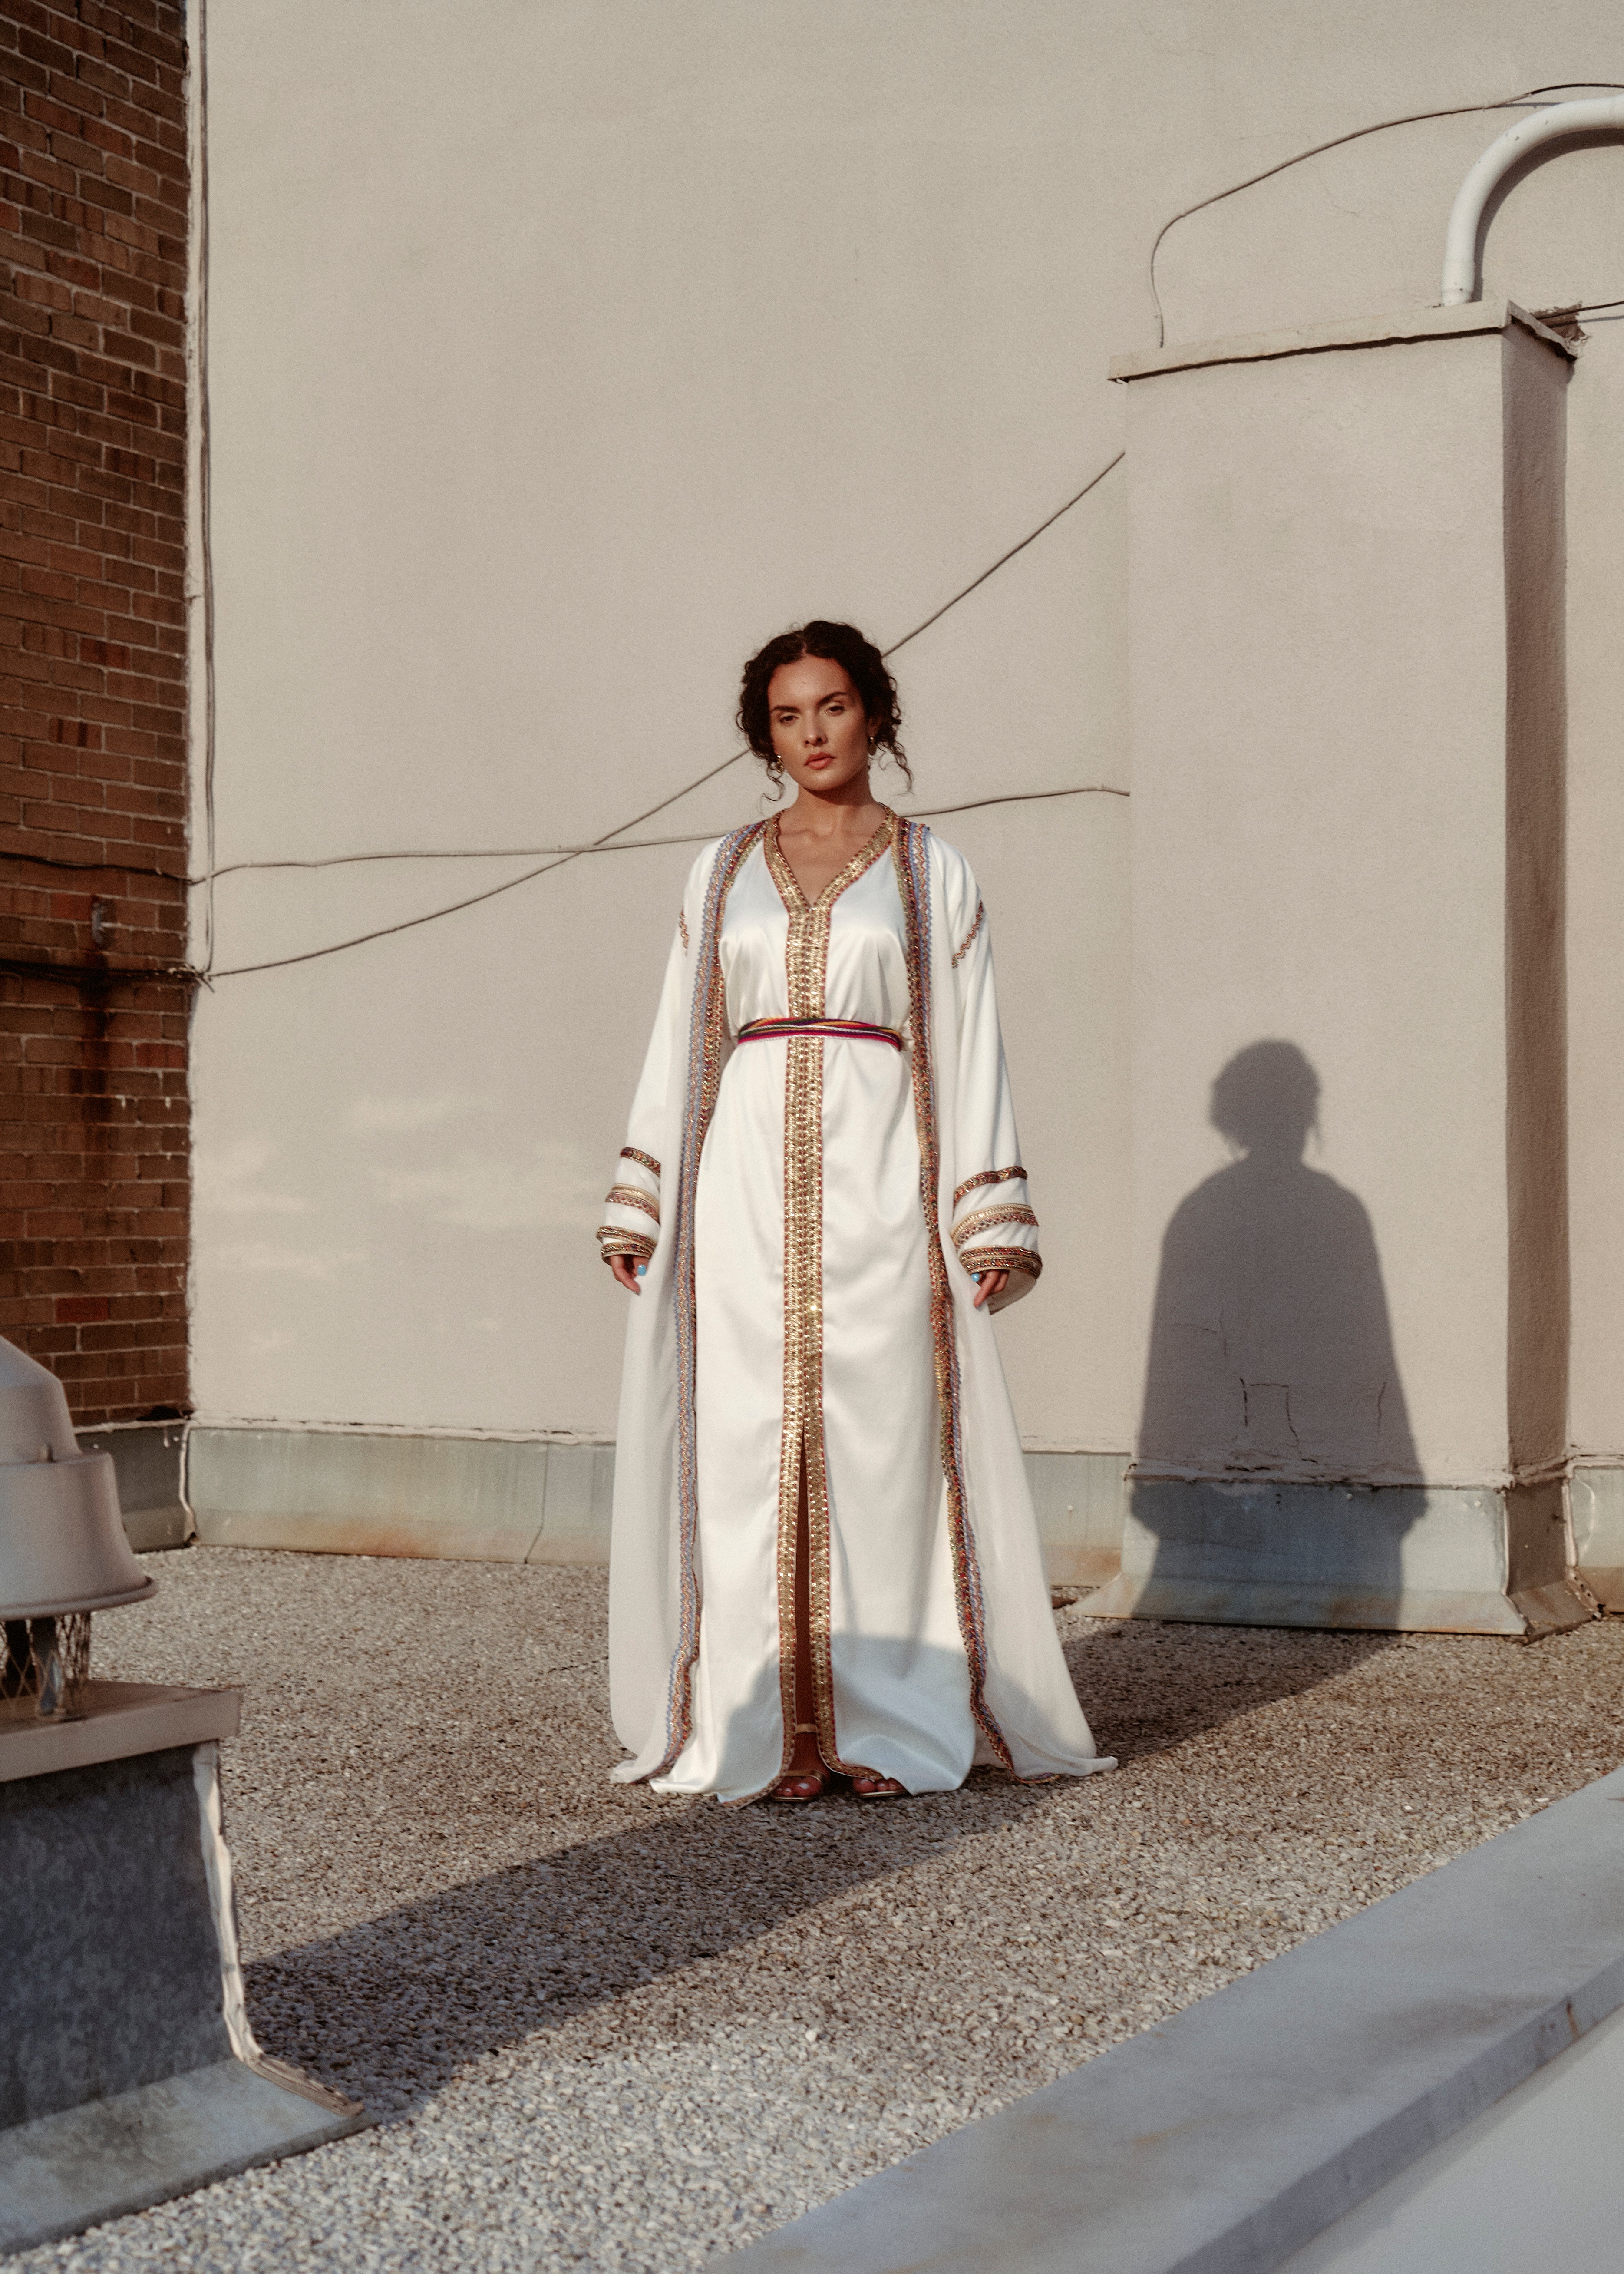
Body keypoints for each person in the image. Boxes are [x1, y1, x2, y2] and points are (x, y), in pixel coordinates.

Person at [597, 621, 1112, 1803]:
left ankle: (882, 1724)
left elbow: (969, 1043)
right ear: (763, 733)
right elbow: (684, 1034)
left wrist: (985, 1219)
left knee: (883, 1450)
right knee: (743, 1447)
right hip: (738, 1193)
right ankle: (765, 1728)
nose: (811, 734)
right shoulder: (720, 870)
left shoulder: (936, 870)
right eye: (786, 716)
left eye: (830, 707)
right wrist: (646, 1197)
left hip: (884, 1183)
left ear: (873, 713)